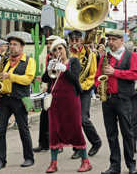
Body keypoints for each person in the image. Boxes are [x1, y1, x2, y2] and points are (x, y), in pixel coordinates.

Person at [44, 38, 92, 173]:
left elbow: (75, 79)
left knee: (75, 129)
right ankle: (53, 163)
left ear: (65, 49)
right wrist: (49, 69)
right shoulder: (52, 62)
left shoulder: (74, 61)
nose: (58, 51)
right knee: (53, 130)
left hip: (71, 100)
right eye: (55, 50)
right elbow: (45, 79)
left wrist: (64, 69)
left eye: (60, 48)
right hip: (55, 101)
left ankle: (85, 161)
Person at [95, 30, 137, 174]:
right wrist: (98, 86)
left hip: (124, 99)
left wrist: (115, 72)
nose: (111, 42)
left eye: (114, 40)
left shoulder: (131, 55)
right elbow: (97, 76)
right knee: (111, 134)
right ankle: (115, 165)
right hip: (107, 99)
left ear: (122, 40)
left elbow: (135, 74)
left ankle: (131, 164)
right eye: (109, 40)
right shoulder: (105, 57)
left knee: (127, 132)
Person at [0, 32, 36, 170]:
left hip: (19, 99)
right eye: (10, 44)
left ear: (22, 47)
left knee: (23, 129)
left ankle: (29, 158)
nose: (11, 47)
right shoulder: (4, 60)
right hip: (4, 98)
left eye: (15, 44)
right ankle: (0, 160)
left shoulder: (29, 61)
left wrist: (10, 76)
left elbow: (28, 79)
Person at [69, 30, 102, 159]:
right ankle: (77, 148)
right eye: (72, 40)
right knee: (73, 121)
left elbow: (92, 74)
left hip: (84, 90)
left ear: (82, 40)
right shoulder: (68, 53)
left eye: (77, 39)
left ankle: (96, 142)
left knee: (83, 119)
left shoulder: (90, 54)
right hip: (70, 91)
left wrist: (82, 87)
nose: (75, 42)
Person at [33, 35, 60, 153]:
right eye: (48, 43)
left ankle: (59, 144)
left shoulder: (64, 56)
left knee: (59, 118)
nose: (49, 45)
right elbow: (47, 75)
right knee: (44, 116)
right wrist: (43, 81)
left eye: (51, 43)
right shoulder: (49, 57)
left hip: (61, 90)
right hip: (50, 89)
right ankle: (43, 144)